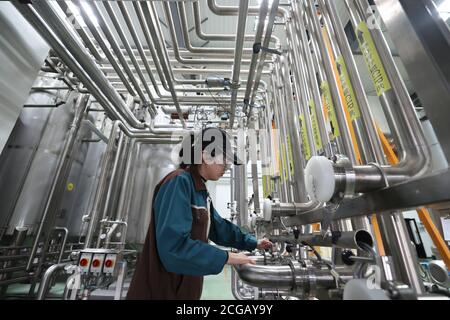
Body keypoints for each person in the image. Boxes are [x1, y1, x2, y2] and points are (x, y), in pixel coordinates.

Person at [127, 128, 272, 300]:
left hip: (183, 289)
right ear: (206, 155)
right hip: (163, 290)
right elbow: (175, 248)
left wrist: (253, 243)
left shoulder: (199, 190)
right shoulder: (179, 182)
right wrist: (228, 257)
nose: (226, 166)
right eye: (224, 159)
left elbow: (219, 228)